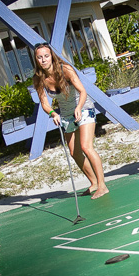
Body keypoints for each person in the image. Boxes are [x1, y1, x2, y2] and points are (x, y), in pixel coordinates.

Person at [33, 42, 109, 199]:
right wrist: (54, 114)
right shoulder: (38, 78)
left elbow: (82, 91)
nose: (43, 60)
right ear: (36, 59)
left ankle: (102, 186)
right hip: (66, 114)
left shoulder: (65, 69)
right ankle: (93, 182)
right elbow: (45, 104)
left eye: (46, 56)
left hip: (83, 107)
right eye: (39, 57)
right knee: (74, 152)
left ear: (51, 57)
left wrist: (79, 107)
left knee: (86, 147)